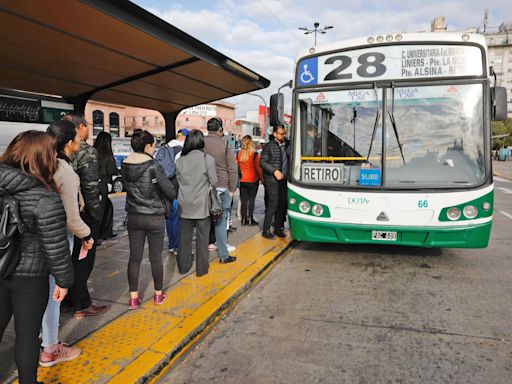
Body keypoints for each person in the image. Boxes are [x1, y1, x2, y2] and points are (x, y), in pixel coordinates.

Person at [0, 130, 74, 384]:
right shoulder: (45, 197)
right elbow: (55, 245)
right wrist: (64, 281)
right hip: (30, 277)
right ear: (43, 159)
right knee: (27, 335)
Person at [40, 121, 94, 367]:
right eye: (77, 138)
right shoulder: (64, 171)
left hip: (36, 237)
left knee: (38, 293)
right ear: (68, 143)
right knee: (54, 294)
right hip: (59, 237)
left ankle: (42, 339)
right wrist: (87, 235)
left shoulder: (39, 163)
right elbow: (72, 218)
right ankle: (50, 349)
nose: (80, 142)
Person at [62, 112, 110, 318]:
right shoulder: (86, 151)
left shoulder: (54, 148)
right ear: (80, 128)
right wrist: (96, 215)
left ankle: (66, 300)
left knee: (66, 257)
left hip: (60, 210)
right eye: (87, 125)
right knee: (83, 258)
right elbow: (90, 187)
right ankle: (81, 303)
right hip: (82, 212)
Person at [121, 130, 175, 309]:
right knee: (155, 258)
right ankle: (158, 295)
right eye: (152, 145)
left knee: (134, 258)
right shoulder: (154, 166)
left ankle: (133, 298)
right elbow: (170, 192)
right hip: (154, 218)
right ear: (147, 146)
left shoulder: (125, 164)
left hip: (134, 217)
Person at [175, 130, 217, 276]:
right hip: (201, 205)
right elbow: (214, 181)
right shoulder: (208, 159)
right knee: (202, 239)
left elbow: (178, 180)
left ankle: (183, 267)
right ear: (201, 142)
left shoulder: (180, 160)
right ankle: (201, 270)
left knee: (184, 238)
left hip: (184, 204)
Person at [204, 118, 237, 264]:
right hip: (223, 186)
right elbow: (232, 168)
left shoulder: (201, 142)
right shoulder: (225, 143)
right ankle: (223, 256)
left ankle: (203, 253)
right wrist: (232, 188)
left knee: (204, 219)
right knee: (221, 220)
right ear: (220, 130)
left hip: (205, 186)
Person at [259, 126, 289, 239]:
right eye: (281, 134)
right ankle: (265, 230)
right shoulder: (269, 146)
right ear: (275, 134)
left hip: (284, 179)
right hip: (272, 180)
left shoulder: (287, 145)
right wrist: (274, 171)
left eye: (284, 133)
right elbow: (262, 162)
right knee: (273, 204)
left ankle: (277, 228)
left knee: (282, 204)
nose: (283, 136)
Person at [164, 128, 188, 254]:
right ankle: (176, 245)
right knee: (177, 217)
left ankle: (171, 244)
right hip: (177, 187)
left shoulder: (166, 147)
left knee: (169, 217)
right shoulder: (180, 150)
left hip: (166, 186)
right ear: (184, 137)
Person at [94, 132, 118, 240]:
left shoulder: (93, 153)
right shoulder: (108, 156)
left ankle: (98, 233)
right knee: (105, 209)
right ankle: (102, 233)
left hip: (93, 184)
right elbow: (112, 171)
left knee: (99, 210)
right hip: (103, 185)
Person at [236, 135, 263, 226]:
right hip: (253, 180)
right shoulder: (254, 154)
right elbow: (258, 168)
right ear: (251, 143)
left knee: (244, 200)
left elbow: (237, 166)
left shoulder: (239, 154)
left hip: (243, 180)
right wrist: (262, 179)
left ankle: (243, 219)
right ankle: (250, 218)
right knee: (251, 200)